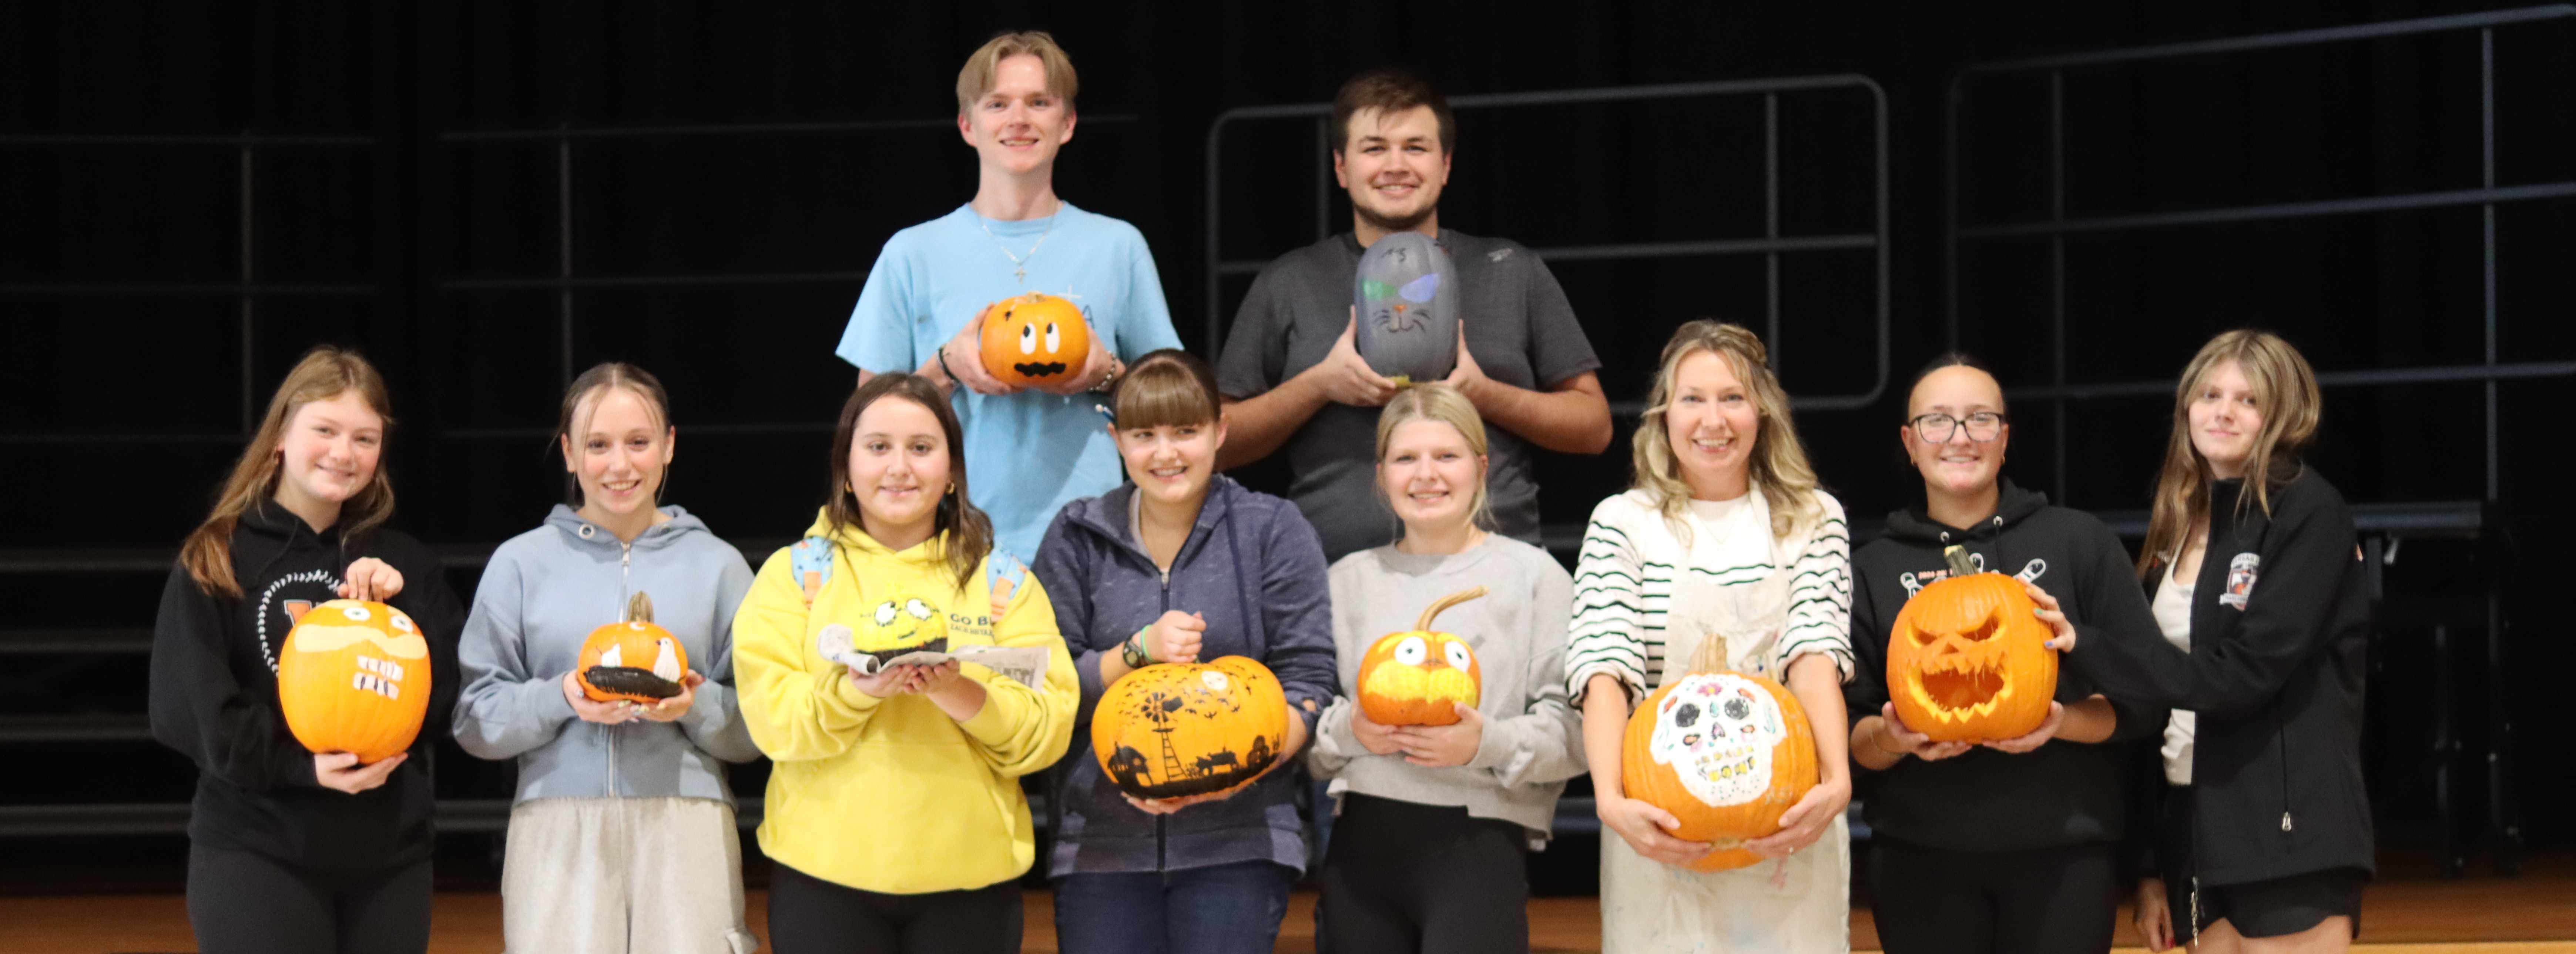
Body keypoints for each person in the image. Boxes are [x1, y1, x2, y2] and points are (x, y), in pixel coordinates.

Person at [2033, 331, 2371, 953]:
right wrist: (2149, 868)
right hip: (2193, 827)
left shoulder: (2309, 513)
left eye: (2248, 400)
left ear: (2285, 414)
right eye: (2210, 394)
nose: (2223, 411)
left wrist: (2089, 644)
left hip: (2286, 827)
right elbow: (2153, 710)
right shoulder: (2180, 526)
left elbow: (2243, 675)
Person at [731, 372, 1080, 954]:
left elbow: (1046, 732)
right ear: (845, 467)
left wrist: (958, 694)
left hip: (972, 881)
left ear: (950, 473)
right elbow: (774, 722)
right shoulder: (795, 576)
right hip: (824, 879)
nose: (900, 467)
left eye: (921, 448)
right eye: (878, 447)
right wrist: (860, 692)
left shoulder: (1002, 581)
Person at [1215, 68, 1611, 563]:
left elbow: (1594, 427)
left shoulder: (1511, 271)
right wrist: (1318, 385)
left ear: (1445, 165)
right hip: (1335, 580)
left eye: (1416, 148)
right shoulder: (1289, 281)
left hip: (1495, 578)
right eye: (1375, 148)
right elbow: (1217, 442)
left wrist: (1485, 394)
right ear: (1341, 167)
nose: (1396, 165)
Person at [1842, 355, 2169, 954]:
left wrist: (2061, 724)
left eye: (1980, 420)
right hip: (1920, 861)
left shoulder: (2078, 542)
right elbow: (1843, 737)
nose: (1960, 438)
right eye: (1938, 422)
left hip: (2065, 856)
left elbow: (2147, 699)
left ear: (2005, 438)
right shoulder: (1868, 570)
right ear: (1910, 443)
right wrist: (1894, 738)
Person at [147, 347, 464, 954]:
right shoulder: (217, 556)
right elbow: (186, 711)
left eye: (365, 438)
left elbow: (447, 698)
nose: (344, 453)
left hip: (389, 858)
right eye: (325, 430)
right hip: (258, 849)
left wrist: (400, 615)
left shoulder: (405, 563)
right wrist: (302, 768)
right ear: (280, 437)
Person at [1030, 349, 1339, 954]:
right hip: (1101, 844)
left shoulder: (1272, 528)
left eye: (1186, 431)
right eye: (1144, 435)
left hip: (1240, 840)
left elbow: (1308, 680)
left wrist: (1234, 775)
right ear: (1117, 440)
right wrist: (1136, 651)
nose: (1166, 453)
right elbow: (1047, 684)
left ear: (1220, 430)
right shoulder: (1075, 535)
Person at [451, 363, 763, 953]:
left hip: (687, 825)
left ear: (669, 445)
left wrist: (694, 708)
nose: (620, 465)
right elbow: (475, 719)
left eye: (639, 442)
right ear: (569, 453)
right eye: (598, 445)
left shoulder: (719, 566)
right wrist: (560, 697)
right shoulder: (520, 564)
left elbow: (757, 726)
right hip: (556, 827)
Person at [835, 30, 1182, 561]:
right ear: (968, 126)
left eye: (1038, 102)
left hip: (1095, 538)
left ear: (1066, 123)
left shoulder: (1118, 246)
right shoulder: (913, 252)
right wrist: (946, 367)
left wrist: (1105, 374)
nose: (1018, 119)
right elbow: (869, 425)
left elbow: (1174, 403)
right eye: (998, 104)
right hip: (948, 541)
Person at [1566, 321, 1853, 953]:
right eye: (1692, 399)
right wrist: (1612, 803)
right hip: (1658, 820)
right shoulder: (1622, 523)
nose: (1712, 420)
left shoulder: (1812, 518)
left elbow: (1815, 653)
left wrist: (1835, 780)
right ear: (1665, 415)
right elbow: (1603, 665)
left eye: (1733, 398)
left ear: (1763, 412)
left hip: (1786, 816)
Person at [1305, 383, 1585, 954]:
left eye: (1447, 457)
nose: (1426, 475)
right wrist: (1348, 731)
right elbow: (1306, 733)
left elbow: (1579, 733)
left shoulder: (1534, 578)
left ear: (1481, 469)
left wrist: (1489, 741)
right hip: (1360, 847)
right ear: (1381, 474)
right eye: (1406, 458)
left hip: (1477, 849)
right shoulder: (1344, 582)